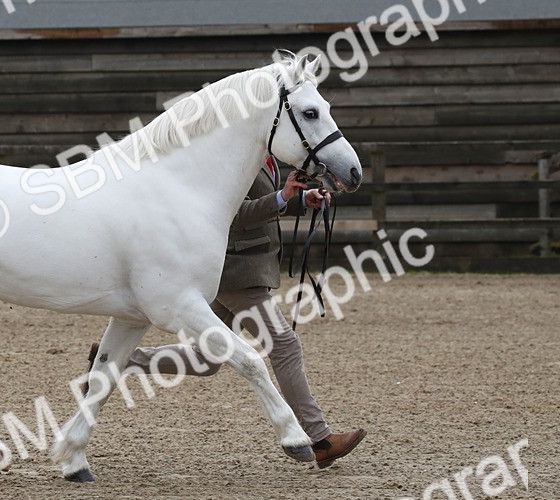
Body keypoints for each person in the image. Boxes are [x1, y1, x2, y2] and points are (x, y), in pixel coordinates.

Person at [87, 158, 366, 469]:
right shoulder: (232, 157)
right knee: (284, 345)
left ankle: (116, 360)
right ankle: (320, 438)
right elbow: (237, 213)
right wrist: (284, 196)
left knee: (208, 358)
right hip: (238, 271)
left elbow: (261, 202)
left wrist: (300, 198)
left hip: (243, 267)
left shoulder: (263, 155)